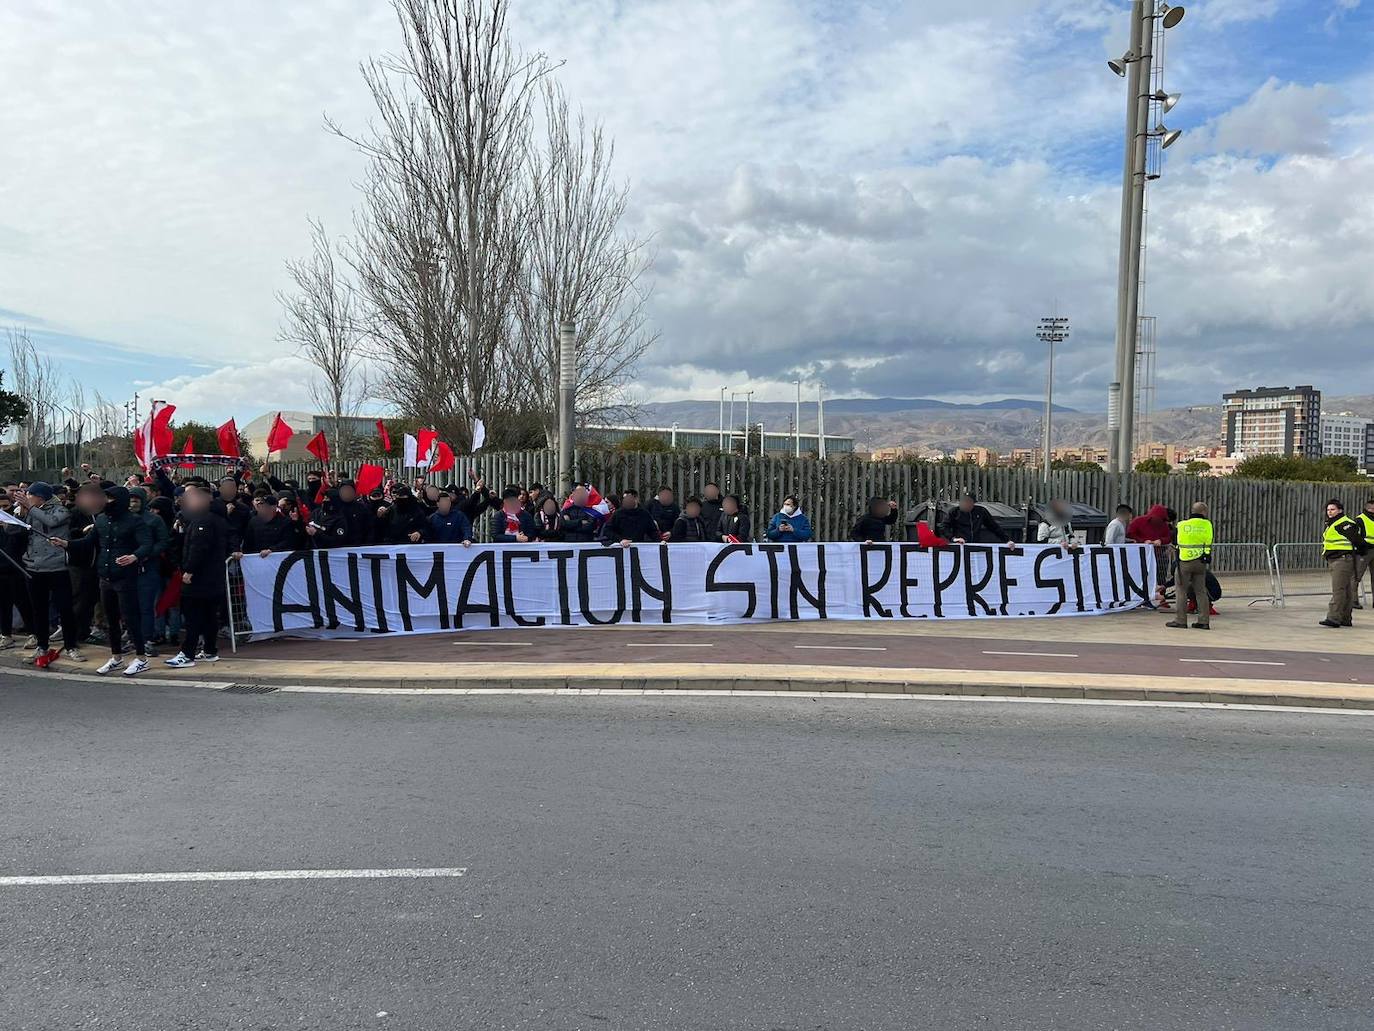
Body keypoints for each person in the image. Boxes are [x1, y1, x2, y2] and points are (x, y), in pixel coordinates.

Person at [55, 485, 156, 675]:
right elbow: (88, 542)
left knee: (131, 617)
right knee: (111, 619)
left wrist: (134, 556)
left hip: (125, 577)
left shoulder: (135, 521)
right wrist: (66, 544)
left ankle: (141, 658)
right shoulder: (101, 520)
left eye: (108, 498)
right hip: (105, 576)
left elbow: (146, 544)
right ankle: (116, 656)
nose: (104, 502)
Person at [14, 481, 80, 667]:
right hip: (34, 566)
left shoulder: (60, 510)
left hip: (57, 566)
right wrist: (18, 514)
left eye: (29, 495)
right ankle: (42, 645)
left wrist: (30, 508)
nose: (27, 498)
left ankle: (71, 645)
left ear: (40, 497)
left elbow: (51, 521)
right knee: (38, 609)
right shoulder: (28, 509)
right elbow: (14, 531)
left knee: (65, 608)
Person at [166, 482, 230, 667]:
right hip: (213, 578)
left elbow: (198, 548)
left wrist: (189, 570)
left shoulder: (204, 521)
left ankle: (187, 654)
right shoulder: (216, 519)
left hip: (200, 578)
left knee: (194, 617)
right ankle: (210, 650)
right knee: (210, 615)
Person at [128, 486, 173, 657]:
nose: (133, 503)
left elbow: (163, 541)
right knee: (130, 607)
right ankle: (133, 638)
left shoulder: (154, 520)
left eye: (136, 500)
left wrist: (147, 554)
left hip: (148, 568)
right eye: (130, 500)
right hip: (127, 569)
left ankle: (147, 639)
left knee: (147, 606)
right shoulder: (123, 519)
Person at [1165, 502, 1214, 631]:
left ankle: (1181, 620)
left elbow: (1174, 541)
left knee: (1181, 591)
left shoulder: (1182, 525)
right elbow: (1209, 541)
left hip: (1184, 562)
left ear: (1192, 511)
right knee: (1201, 592)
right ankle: (1203, 621)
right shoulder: (1208, 525)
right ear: (1204, 512)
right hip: (1201, 562)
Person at [1320, 498, 1365, 629]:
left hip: (1342, 559)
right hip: (1338, 559)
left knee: (1338, 589)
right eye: (1328, 510)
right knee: (1346, 590)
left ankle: (1333, 617)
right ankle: (1345, 618)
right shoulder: (1333, 523)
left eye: (1332, 509)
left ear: (1340, 510)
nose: (1329, 512)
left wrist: (1361, 552)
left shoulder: (1344, 523)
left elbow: (1358, 540)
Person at [0, 490, 33, 650]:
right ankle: (6, 634)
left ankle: (34, 633)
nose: (2, 511)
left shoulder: (16, 522)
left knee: (23, 602)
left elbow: (24, 535)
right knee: (3, 605)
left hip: (17, 568)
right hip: (1, 570)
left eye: (5, 507)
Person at [238, 494, 305, 557]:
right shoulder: (254, 521)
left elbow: (288, 541)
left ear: (274, 507)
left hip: (277, 559)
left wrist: (271, 550)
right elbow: (248, 542)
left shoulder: (285, 522)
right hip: (257, 560)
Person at [940, 493, 1013, 545]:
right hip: (959, 545)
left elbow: (993, 526)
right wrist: (953, 538)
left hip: (975, 545)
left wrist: (1007, 540)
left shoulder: (981, 511)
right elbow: (944, 526)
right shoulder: (954, 511)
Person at [1352, 499, 1374, 610]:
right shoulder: (1360, 519)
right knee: (1356, 576)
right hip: (1364, 551)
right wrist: (1360, 548)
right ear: (1369, 508)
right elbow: (1356, 536)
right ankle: (1353, 600)